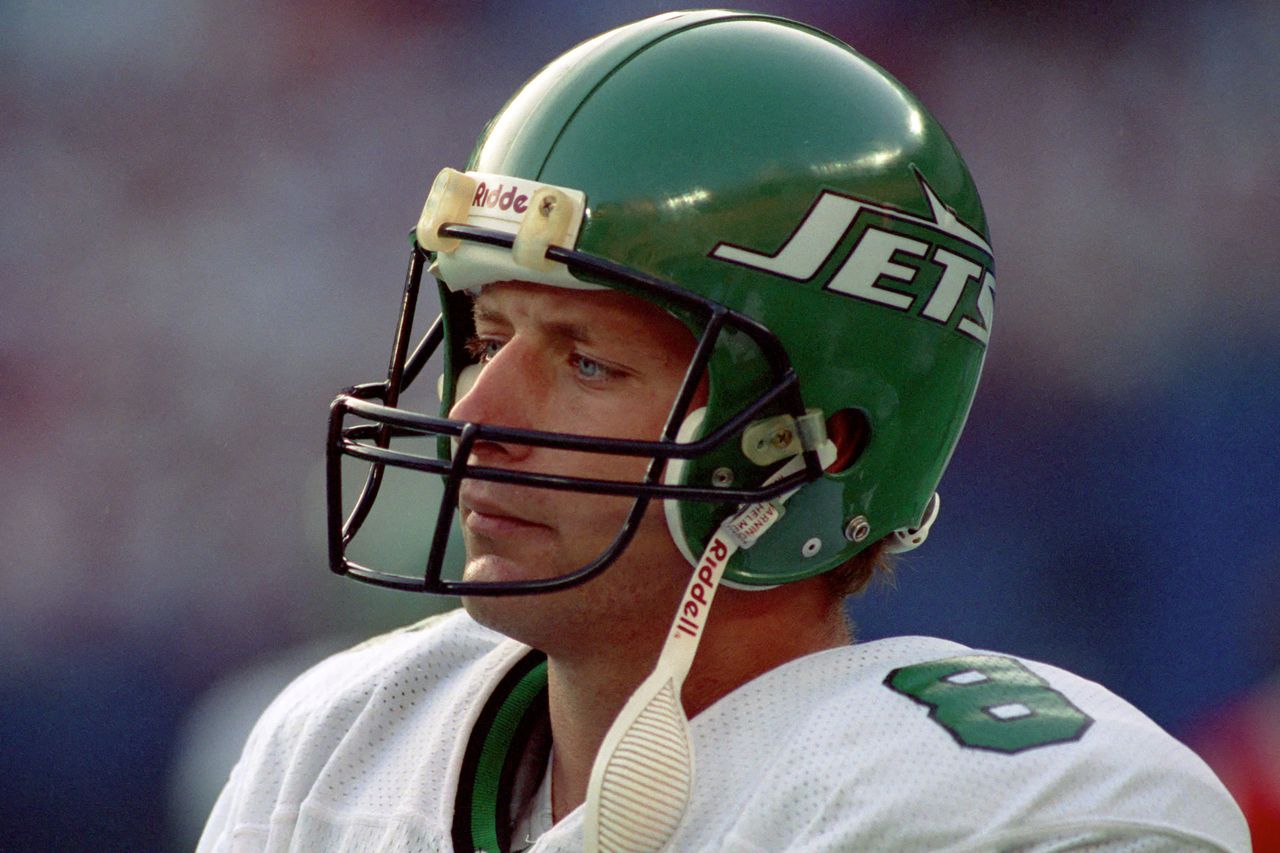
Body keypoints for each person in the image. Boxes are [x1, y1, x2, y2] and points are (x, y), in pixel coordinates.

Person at [199, 11, 1250, 852]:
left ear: (821, 445)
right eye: (486, 335)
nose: (476, 413)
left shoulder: (1001, 808)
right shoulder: (341, 743)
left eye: (586, 361)